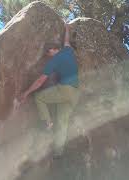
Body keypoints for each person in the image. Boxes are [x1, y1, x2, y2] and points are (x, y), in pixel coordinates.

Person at [19, 23, 80, 157]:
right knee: (62, 122)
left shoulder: (53, 61)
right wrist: (67, 28)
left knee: (39, 97)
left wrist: (26, 92)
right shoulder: (68, 50)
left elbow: (40, 81)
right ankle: (59, 153)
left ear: (53, 50)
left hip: (65, 90)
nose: (48, 55)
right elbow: (67, 41)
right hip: (75, 93)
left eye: (48, 52)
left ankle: (47, 122)